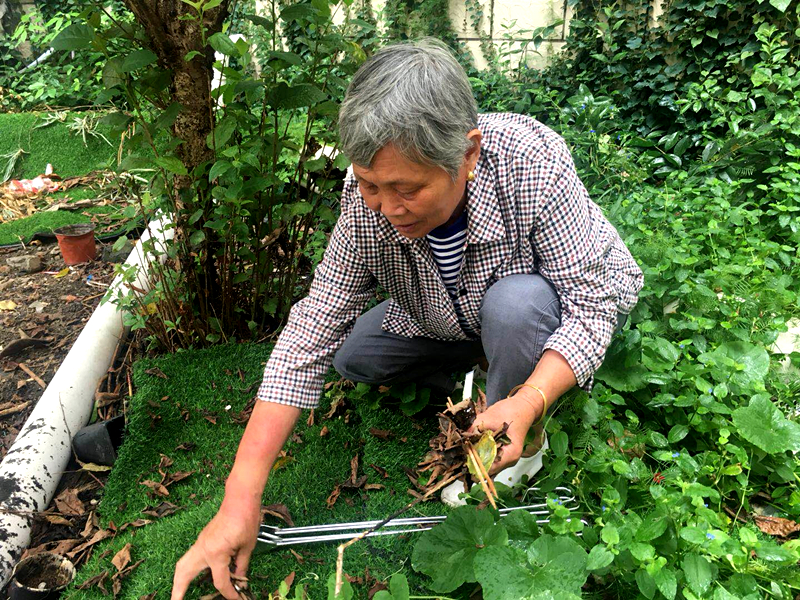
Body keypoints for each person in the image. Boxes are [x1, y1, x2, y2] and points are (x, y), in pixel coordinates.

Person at [171, 39, 643, 599]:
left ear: (467, 155)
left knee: (514, 309)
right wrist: (241, 494)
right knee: (354, 355)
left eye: (407, 189)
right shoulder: (366, 197)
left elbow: (591, 303)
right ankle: (485, 356)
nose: (386, 208)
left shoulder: (531, 162)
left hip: (546, 302)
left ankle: (519, 429)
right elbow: (313, 326)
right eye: (371, 185)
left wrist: (531, 397)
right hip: (446, 309)